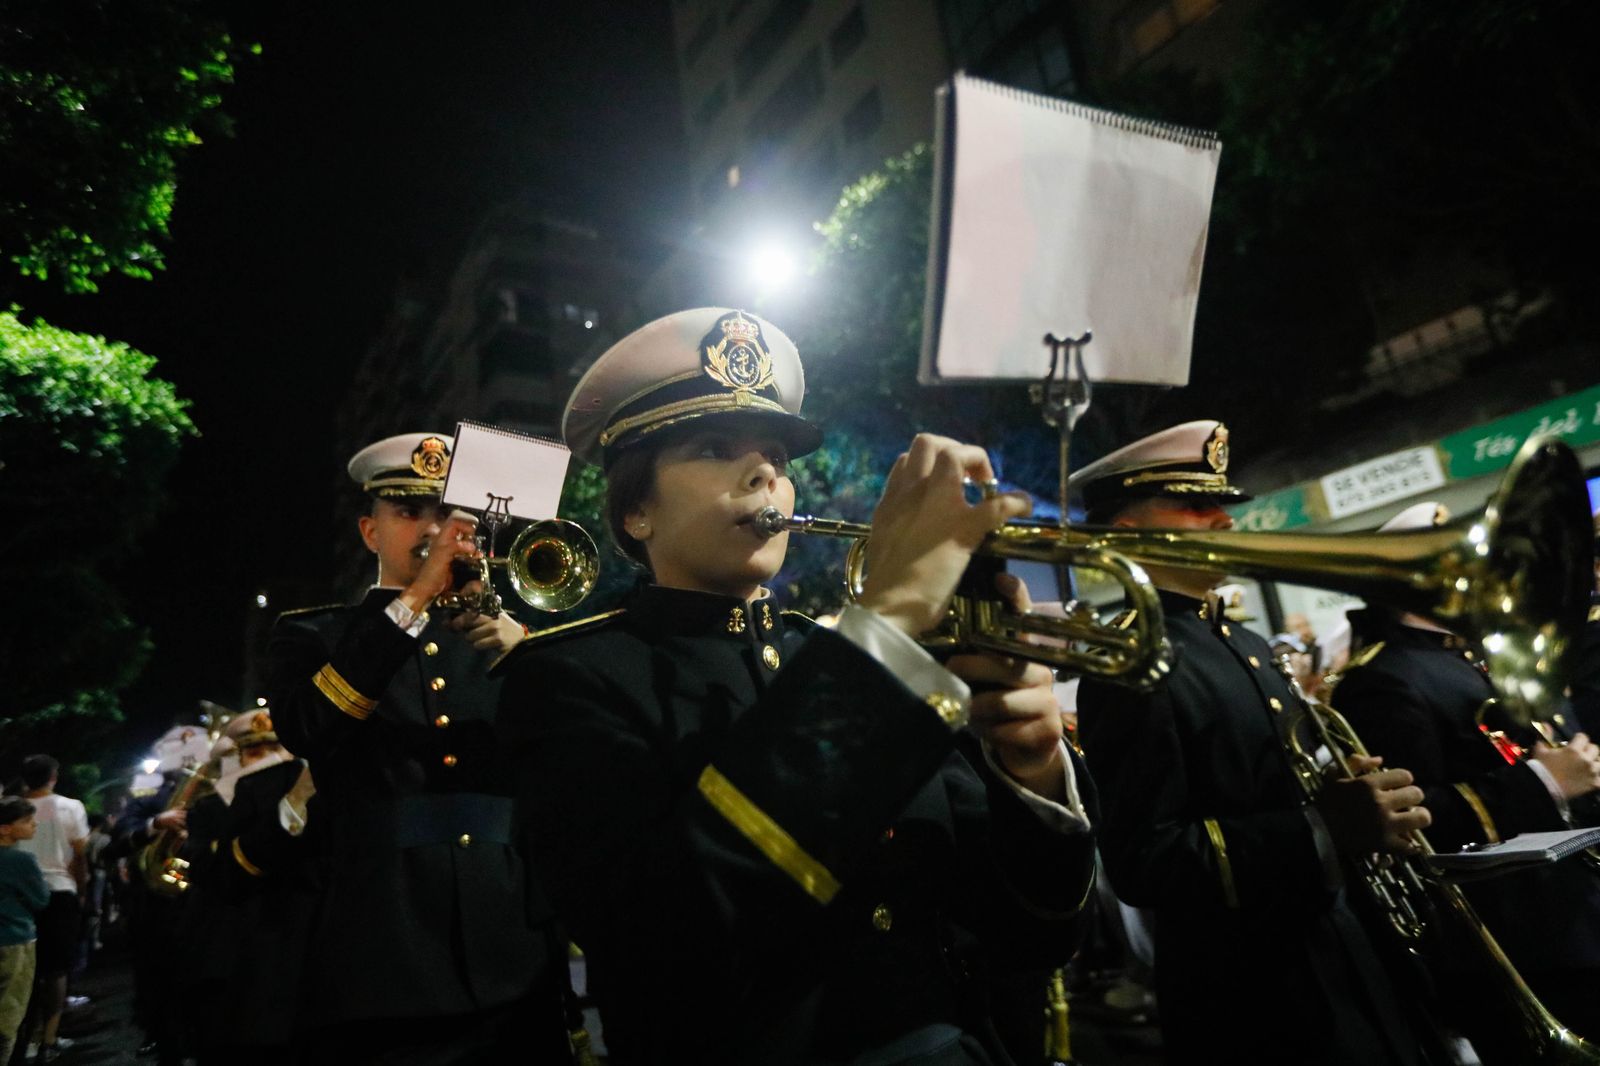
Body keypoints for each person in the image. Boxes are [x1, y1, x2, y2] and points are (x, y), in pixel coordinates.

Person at [495, 307, 1098, 1064]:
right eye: (715, 448)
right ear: (636, 511)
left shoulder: (844, 657)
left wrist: (1032, 769)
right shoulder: (567, 678)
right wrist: (890, 621)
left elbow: (1036, 933)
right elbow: (666, 945)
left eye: (776, 455)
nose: (765, 475)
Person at [1071, 421, 1433, 1065]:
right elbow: (1144, 859)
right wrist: (1321, 830)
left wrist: (1337, 788)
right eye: (1196, 506)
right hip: (1250, 993)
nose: (1225, 521)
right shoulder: (1130, 658)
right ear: (1127, 533)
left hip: (1332, 952)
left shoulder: (1245, 642)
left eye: (1221, 504)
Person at [269, 431, 568, 1065]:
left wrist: (530, 657)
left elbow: (568, 762)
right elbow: (309, 728)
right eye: (410, 512)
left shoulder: (506, 637)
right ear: (369, 532)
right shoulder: (316, 636)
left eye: (450, 515)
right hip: (383, 947)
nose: (434, 530)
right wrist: (413, 601)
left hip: (513, 942)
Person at [1333, 499, 1600, 1047]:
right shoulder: (1383, 678)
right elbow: (1413, 823)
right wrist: (1547, 782)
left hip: (1575, 914)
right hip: (1525, 940)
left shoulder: (1478, 654)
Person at [176, 710, 318, 1064]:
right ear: (234, 756)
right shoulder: (211, 804)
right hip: (233, 948)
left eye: (274, 749)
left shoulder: (302, 785)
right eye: (254, 752)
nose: (267, 759)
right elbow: (208, 865)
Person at [11, 756, 87, 1063]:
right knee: (56, 970)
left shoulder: (10, 808)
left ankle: (21, 1038)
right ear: (54, 776)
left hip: (19, 895)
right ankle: (49, 1038)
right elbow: (80, 854)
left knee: (25, 969)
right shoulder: (70, 807)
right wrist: (81, 889)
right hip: (59, 890)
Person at [0, 798, 48, 1063]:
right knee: (9, 1014)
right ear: (5, 828)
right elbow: (41, 899)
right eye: (27, 821)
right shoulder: (21, 860)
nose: (34, 825)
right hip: (16, 941)